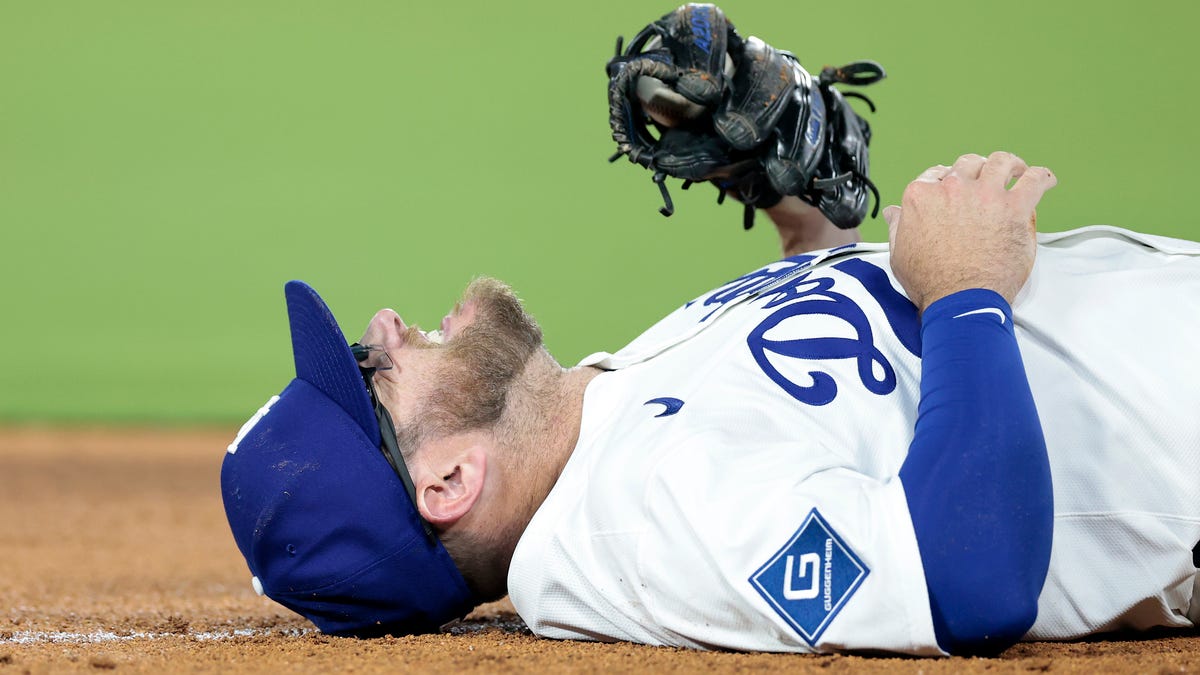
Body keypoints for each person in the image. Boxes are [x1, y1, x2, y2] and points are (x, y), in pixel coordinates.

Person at [221, 151, 1200, 656]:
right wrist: (967, 293)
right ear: (446, 481)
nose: (385, 324)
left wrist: (802, 214)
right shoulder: (648, 522)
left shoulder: (596, 423)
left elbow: (822, 414)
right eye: (371, 370)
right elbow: (965, 583)